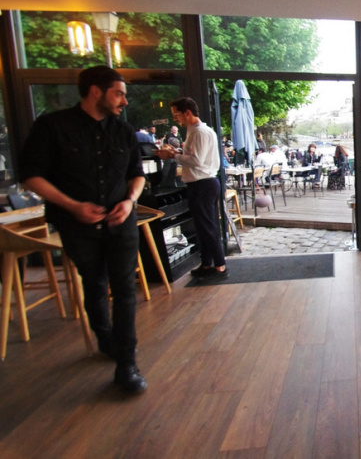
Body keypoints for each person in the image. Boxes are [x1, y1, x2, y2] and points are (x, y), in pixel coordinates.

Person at [19, 65, 148, 394]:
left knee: (123, 287)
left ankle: (126, 364)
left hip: (122, 220)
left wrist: (131, 201)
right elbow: (31, 175)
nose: (124, 101)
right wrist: (72, 206)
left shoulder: (123, 131)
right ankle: (105, 338)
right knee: (93, 281)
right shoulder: (53, 127)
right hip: (76, 224)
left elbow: (137, 174)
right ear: (96, 91)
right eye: (119, 93)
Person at [156, 97, 227, 280]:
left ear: (188, 112)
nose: (175, 119)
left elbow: (197, 161)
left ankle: (219, 266)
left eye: (177, 115)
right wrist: (177, 154)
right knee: (203, 227)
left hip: (203, 183)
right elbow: (194, 158)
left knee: (208, 227)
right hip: (201, 183)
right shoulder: (194, 131)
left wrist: (173, 155)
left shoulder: (200, 132)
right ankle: (207, 263)